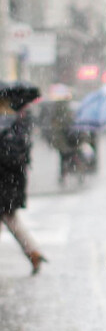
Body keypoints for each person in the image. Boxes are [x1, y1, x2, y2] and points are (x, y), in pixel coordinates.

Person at [0, 96, 46, 275]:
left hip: (5, 184)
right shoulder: (16, 125)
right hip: (11, 183)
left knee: (11, 220)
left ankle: (33, 252)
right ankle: (33, 252)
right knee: (11, 220)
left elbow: (8, 156)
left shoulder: (8, 127)